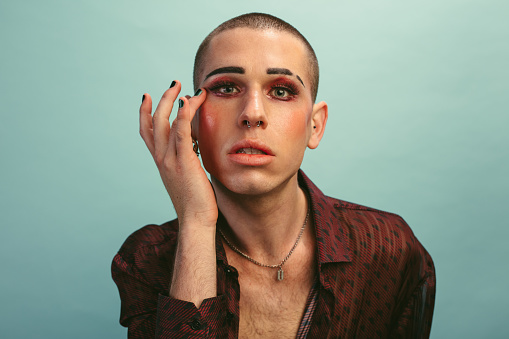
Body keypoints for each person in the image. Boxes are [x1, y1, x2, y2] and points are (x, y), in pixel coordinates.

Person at [112, 13, 435, 339]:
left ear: (315, 125)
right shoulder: (147, 260)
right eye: (226, 87)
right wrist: (195, 221)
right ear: (192, 121)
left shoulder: (390, 248)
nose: (252, 113)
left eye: (281, 91)